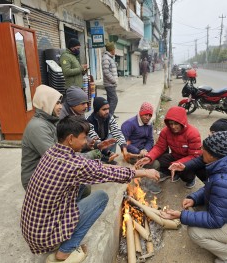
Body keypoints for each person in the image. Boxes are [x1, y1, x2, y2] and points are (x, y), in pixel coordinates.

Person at [20, 115, 160, 263]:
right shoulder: (73, 165)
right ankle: (65, 251)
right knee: (100, 198)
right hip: (44, 235)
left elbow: (93, 167)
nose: (86, 141)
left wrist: (99, 150)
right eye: (84, 137)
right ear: (71, 139)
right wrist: (144, 172)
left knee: (82, 187)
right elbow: (106, 172)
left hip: (33, 228)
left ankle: (65, 230)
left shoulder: (53, 151)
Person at [159, 131, 227, 263]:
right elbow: (212, 187)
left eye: (204, 149)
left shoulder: (225, 180)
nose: (201, 150)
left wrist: (180, 216)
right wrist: (194, 198)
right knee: (196, 209)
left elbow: (215, 220)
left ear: (213, 156)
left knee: (195, 232)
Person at [170, 118, 227, 195]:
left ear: (221, 136)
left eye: (212, 133)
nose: (209, 136)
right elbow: (201, 160)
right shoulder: (222, 146)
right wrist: (184, 166)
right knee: (199, 167)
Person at [135, 106, 202, 194]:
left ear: (183, 122)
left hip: (188, 160)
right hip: (174, 156)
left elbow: (194, 156)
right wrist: (149, 157)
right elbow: (159, 147)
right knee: (158, 160)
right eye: (170, 123)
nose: (173, 126)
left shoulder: (193, 133)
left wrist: (177, 164)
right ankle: (170, 172)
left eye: (176, 123)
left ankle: (190, 179)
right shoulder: (165, 131)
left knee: (186, 175)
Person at [21, 84, 62, 190]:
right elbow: (56, 159)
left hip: (45, 172)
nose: (60, 106)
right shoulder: (38, 127)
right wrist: (90, 156)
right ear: (46, 103)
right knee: (83, 187)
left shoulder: (50, 121)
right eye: (57, 103)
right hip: (34, 179)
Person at [59, 86, 116, 158]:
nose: (86, 106)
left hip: (79, 146)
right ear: (73, 103)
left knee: (111, 139)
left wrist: (97, 144)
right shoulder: (61, 116)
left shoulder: (80, 113)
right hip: (68, 154)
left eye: (87, 103)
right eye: (82, 103)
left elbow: (85, 133)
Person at [87, 97, 130, 164]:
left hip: (104, 140)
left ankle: (109, 158)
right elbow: (96, 141)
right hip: (94, 145)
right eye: (104, 109)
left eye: (108, 109)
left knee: (113, 137)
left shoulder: (109, 117)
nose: (107, 111)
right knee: (94, 150)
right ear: (97, 110)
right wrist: (108, 152)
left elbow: (117, 132)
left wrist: (124, 148)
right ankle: (104, 158)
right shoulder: (89, 121)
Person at [102, 42, 118, 117]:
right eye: (114, 49)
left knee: (109, 100)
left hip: (111, 83)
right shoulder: (106, 58)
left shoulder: (110, 58)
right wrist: (113, 80)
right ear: (111, 50)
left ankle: (109, 113)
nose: (115, 51)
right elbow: (106, 72)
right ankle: (109, 117)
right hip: (109, 83)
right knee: (114, 100)